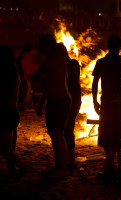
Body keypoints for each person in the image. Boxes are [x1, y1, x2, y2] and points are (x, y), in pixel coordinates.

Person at [92, 34, 121, 179]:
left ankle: (110, 168)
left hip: (107, 103)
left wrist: (95, 101)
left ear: (108, 46)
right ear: (120, 46)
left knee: (108, 136)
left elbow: (95, 83)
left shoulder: (101, 62)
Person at [32, 34, 71, 179]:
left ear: (48, 46)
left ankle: (62, 168)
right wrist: (42, 102)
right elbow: (48, 84)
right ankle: (61, 166)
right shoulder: (57, 59)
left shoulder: (54, 60)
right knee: (57, 135)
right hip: (58, 100)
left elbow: (38, 78)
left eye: (41, 45)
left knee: (57, 134)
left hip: (59, 101)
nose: (39, 48)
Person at [0, 45, 27, 180]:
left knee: (3, 147)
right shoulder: (11, 72)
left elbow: (6, 95)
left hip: (8, 114)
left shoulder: (10, 74)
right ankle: (14, 171)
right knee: (7, 149)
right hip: (9, 114)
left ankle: (22, 168)